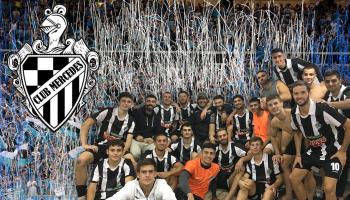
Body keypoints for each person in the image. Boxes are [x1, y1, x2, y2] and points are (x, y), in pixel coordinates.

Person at [289, 80, 350, 200]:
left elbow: (348, 124)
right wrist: (298, 155)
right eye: (296, 93)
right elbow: (296, 131)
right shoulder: (294, 112)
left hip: (333, 151)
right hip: (313, 151)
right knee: (294, 178)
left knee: (328, 188)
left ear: (309, 93)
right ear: (292, 95)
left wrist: (343, 151)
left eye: (303, 92)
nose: (299, 96)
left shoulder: (322, 109)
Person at [75, 92, 136, 199]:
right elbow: (86, 124)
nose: (126, 103)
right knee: (81, 160)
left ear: (132, 104)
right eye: (123, 101)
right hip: (102, 147)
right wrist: (85, 144)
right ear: (119, 102)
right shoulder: (107, 112)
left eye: (129, 102)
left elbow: (128, 141)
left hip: (118, 149)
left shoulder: (131, 121)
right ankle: (81, 196)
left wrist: (122, 153)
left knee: (133, 162)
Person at [266, 95, 315, 200]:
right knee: (284, 163)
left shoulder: (293, 113)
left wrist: (299, 154)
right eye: (270, 105)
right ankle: (289, 193)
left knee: (307, 172)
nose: (273, 107)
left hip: (307, 141)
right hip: (294, 141)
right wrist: (277, 153)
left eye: (275, 103)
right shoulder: (274, 121)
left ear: (281, 103)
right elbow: (273, 136)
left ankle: (310, 197)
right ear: (268, 108)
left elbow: (301, 133)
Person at [323, 69, 350, 199]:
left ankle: (338, 194)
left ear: (340, 81)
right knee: (338, 164)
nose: (331, 83)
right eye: (327, 81)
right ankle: (335, 194)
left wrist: (328, 105)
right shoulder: (326, 94)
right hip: (338, 137)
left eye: (334, 80)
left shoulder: (347, 91)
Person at [107, 158, 177, 200]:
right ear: (138, 174)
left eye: (151, 172)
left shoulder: (161, 184)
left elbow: (170, 198)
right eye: (144, 172)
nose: (147, 175)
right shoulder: (131, 185)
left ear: (155, 174)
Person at [214, 129, 251, 200]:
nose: (222, 138)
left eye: (224, 135)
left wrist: (241, 159)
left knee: (242, 168)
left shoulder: (234, 147)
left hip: (232, 178)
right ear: (217, 139)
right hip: (220, 179)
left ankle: (228, 198)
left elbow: (250, 154)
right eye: (220, 136)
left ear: (228, 136)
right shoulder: (215, 149)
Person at [130, 94, 161, 160]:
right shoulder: (136, 113)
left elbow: (158, 132)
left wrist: (153, 138)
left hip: (149, 141)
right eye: (148, 101)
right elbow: (130, 127)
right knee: (135, 154)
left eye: (153, 102)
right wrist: (136, 136)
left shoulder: (157, 117)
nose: (150, 103)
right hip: (136, 140)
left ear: (155, 104)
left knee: (154, 154)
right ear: (145, 102)